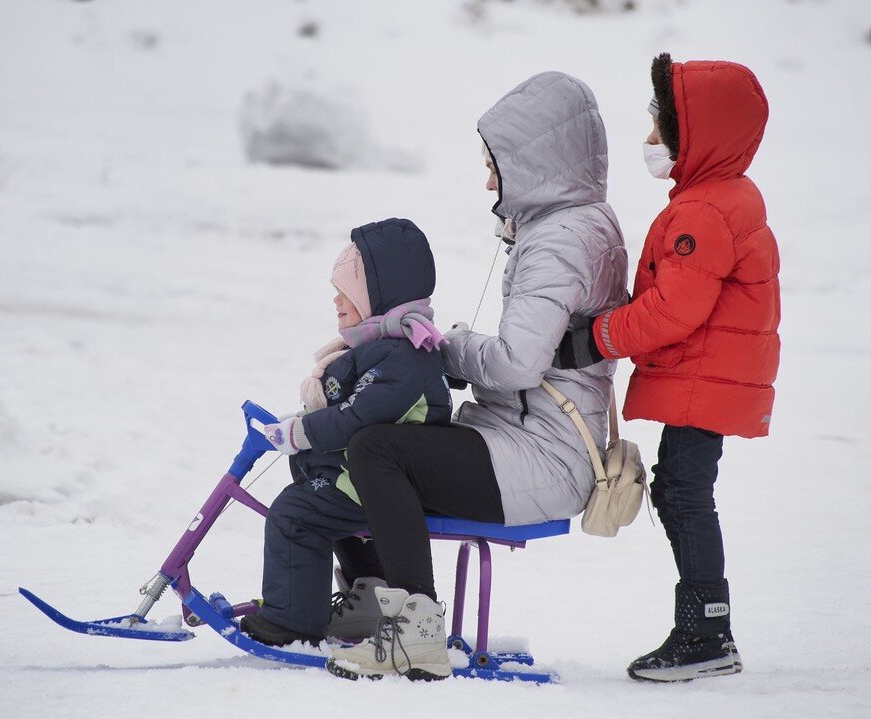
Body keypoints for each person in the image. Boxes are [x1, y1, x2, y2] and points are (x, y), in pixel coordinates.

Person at [324, 71, 628, 681]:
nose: (488, 180)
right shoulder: (568, 227)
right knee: (370, 437)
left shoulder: (560, 240)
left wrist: (447, 348)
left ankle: (414, 629)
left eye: (496, 165)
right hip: (530, 441)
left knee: (376, 448)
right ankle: (372, 608)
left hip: (544, 457)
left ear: (537, 161)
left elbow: (518, 360)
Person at [555, 54, 780, 682]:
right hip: (712, 373)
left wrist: (595, 337)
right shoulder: (720, 197)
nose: (649, 142)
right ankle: (707, 628)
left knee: (683, 492)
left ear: (696, 135)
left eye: (661, 129)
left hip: (706, 376)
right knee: (682, 489)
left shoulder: (704, 212)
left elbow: (673, 310)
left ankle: (706, 633)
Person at [238, 218, 453, 647]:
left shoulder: (404, 356)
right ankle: (368, 591)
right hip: (359, 478)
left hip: (384, 485)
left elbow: (358, 418)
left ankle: (293, 621)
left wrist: (300, 433)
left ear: (376, 295)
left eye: (347, 292)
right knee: (312, 505)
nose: (336, 300)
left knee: (295, 516)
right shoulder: (383, 347)